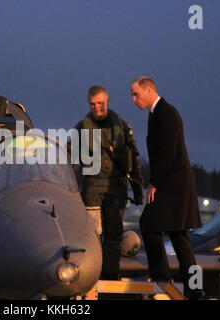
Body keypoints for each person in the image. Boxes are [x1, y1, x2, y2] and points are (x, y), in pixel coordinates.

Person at [130, 76, 204, 299]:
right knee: (180, 237)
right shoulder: (158, 114)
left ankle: (163, 276)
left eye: (136, 94)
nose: (133, 99)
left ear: (149, 90)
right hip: (173, 184)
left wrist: (154, 183)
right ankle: (194, 287)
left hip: (173, 186)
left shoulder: (166, 113)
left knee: (150, 224)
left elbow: (168, 153)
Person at [74, 85, 144, 280]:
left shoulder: (121, 127)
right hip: (92, 190)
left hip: (115, 190)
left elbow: (134, 159)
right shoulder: (81, 129)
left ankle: (110, 277)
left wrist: (138, 188)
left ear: (107, 102)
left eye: (100, 103)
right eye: (92, 104)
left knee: (113, 237)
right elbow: (69, 158)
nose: (96, 107)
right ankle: (93, 277)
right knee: (92, 237)